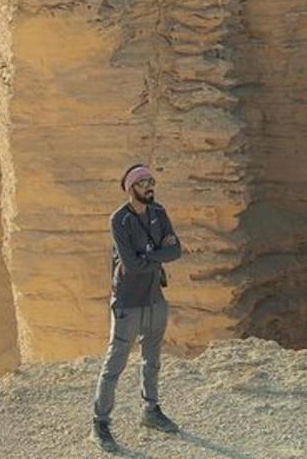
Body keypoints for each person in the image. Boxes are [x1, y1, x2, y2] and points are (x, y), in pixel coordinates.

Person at [91, 164, 182, 453]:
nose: (150, 186)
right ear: (131, 188)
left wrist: (147, 255)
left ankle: (151, 411)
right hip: (128, 303)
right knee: (114, 366)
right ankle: (100, 424)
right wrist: (158, 255)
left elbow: (176, 250)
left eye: (151, 181)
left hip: (155, 298)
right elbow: (129, 265)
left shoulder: (159, 213)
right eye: (143, 183)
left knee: (152, 359)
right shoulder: (119, 220)